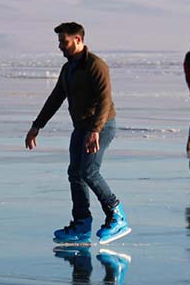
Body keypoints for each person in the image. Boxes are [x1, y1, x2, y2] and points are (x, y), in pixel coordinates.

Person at [26, 22, 131, 245]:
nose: (60, 47)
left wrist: (95, 130)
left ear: (78, 40)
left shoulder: (95, 65)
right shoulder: (69, 68)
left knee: (89, 171)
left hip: (101, 126)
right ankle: (82, 224)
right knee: (75, 172)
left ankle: (117, 215)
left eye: (64, 42)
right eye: (59, 42)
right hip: (81, 127)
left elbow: (104, 100)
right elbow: (56, 97)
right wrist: (37, 125)